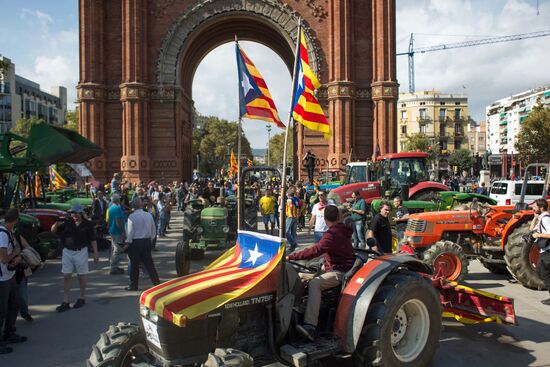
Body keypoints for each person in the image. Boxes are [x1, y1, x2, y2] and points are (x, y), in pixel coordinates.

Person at [287, 205, 355, 341]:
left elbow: (315, 250)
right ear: (338, 217)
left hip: (339, 271)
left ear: (324, 219)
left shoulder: (332, 234)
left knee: (315, 284)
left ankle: (310, 325)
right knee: (299, 276)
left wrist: (290, 256)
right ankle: (296, 310)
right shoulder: (342, 229)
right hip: (332, 267)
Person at [51, 204, 99, 312]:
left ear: (81, 213)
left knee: (81, 276)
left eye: (76, 213)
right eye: (72, 213)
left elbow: (93, 239)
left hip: (81, 252)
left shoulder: (87, 224)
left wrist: (96, 253)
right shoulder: (67, 223)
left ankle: (81, 297)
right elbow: (53, 231)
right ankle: (66, 301)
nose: (74, 215)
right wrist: (56, 223)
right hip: (68, 251)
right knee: (66, 275)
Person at [0, 209, 27, 354]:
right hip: (2, 278)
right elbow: (4, 258)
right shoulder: (3, 234)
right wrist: (15, 255)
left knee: (14, 304)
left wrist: (16, 256)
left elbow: (16, 247)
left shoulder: (8, 232)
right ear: (15, 220)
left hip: (8, 276)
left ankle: (9, 333)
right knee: (2, 310)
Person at [125, 197, 160, 291]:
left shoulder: (131, 217)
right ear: (141, 205)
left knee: (134, 265)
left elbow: (130, 232)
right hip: (146, 241)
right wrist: (151, 240)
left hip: (135, 242)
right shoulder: (148, 215)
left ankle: (134, 285)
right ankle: (157, 284)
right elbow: (153, 230)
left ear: (133, 206)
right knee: (149, 264)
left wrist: (127, 242)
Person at [531, 199, 550, 305]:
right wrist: (534, 217)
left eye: (535, 206)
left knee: (544, 273)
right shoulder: (541, 218)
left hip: (548, 251)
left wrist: (538, 235)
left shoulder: (546, 219)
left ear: (541, 208)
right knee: (540, 271)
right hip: (544, 250)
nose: (533, 208)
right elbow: (531, 229)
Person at [106, 194, 126, 275]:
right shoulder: (117, 208)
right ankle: (113, 267)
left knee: (114, 248)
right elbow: (118, 220)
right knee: (117, 249)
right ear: (117, 200)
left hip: (112, 230)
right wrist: (123, 230)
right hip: (117, 231)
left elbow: (108, 220)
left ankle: (114, 265)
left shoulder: (109, 208)